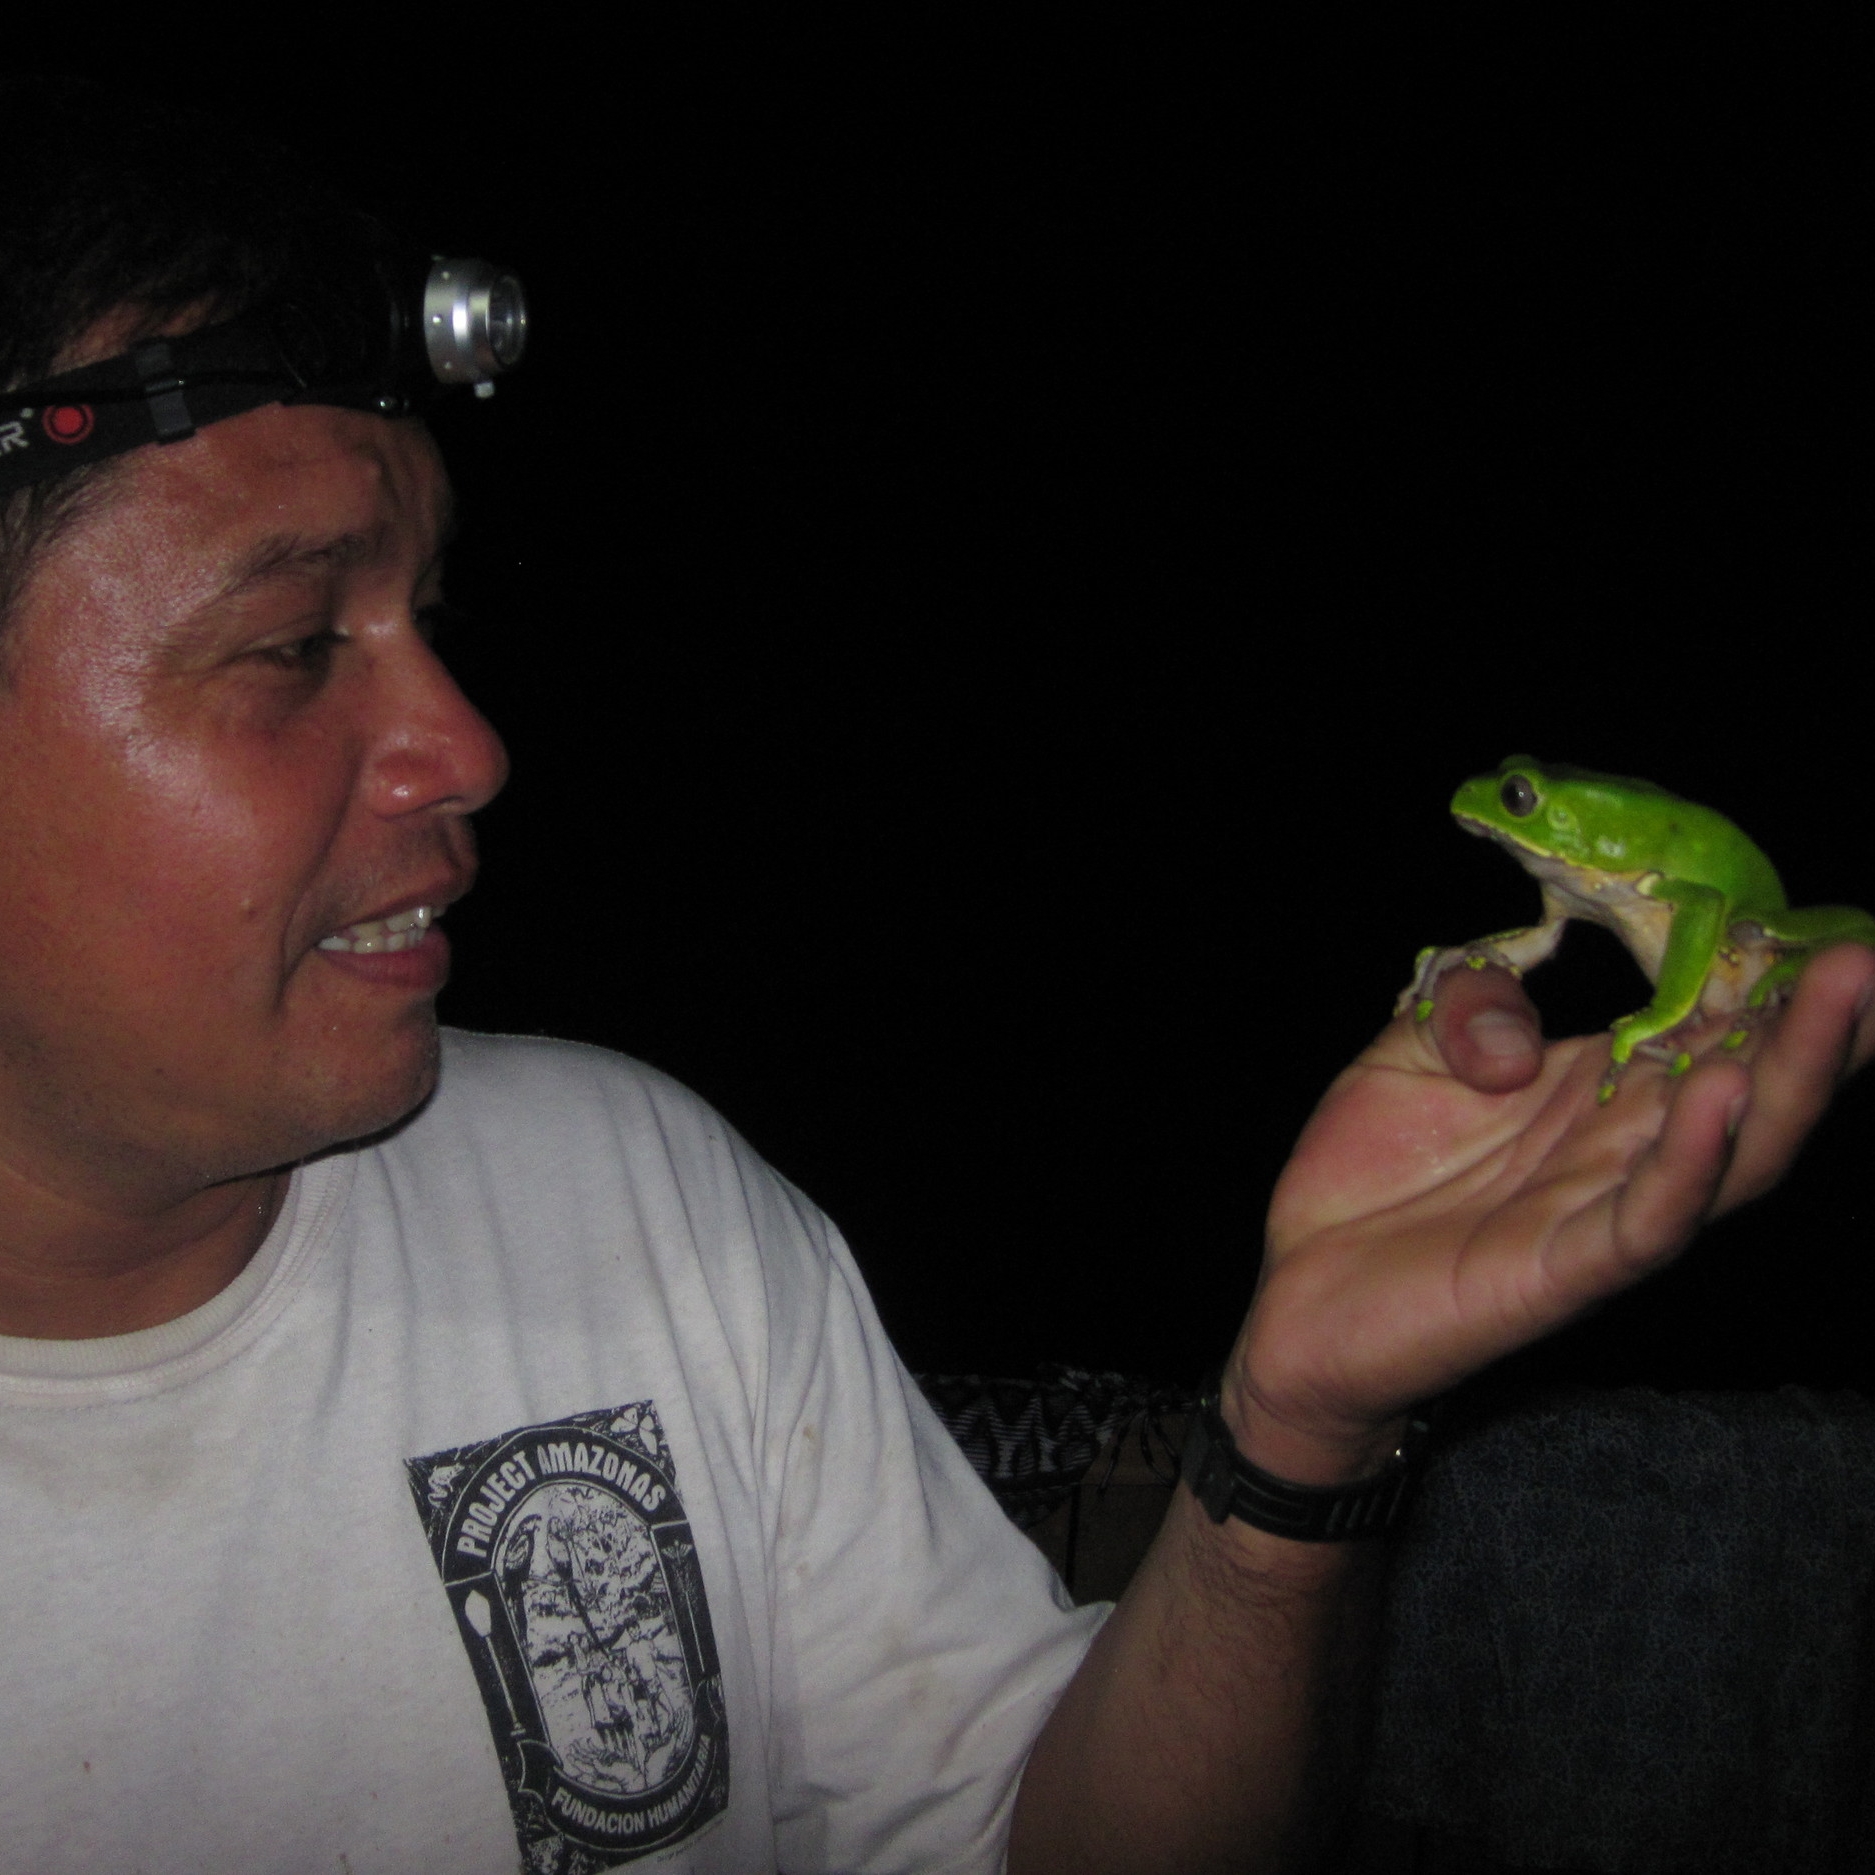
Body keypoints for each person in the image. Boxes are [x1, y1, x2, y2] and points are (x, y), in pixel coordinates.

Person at [2, 80, 1870, 1875]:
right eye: (292, 644)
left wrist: (1294, 1439)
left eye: (433, 616)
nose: (468, 744)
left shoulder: (631, 1193)